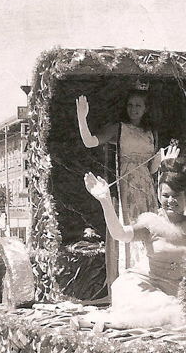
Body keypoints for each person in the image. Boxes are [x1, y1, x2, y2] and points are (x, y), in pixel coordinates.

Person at [77, 156, 186, 331]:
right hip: (140, 288)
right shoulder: (150, 223)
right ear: (159, 194)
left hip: (172, 293)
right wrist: (105, 201)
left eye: (176, 196)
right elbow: (119, 233)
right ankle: (104, 323)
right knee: (169, 311)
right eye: (165, 195)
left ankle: (104, 322)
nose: (170, 201)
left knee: (179, 313)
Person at [76, 88, 178, 278]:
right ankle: (131, 273)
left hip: (146, 186)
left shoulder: (151, 133)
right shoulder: (119, 128)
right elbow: (90, 142)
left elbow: (152, 169)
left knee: (148, 226)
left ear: (146, 108)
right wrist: (82, 118)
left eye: (138, 105)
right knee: (130, 226)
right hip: (127, 186)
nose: (133, 109)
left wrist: (161, 158)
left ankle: (151, 271)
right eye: (130, 105)